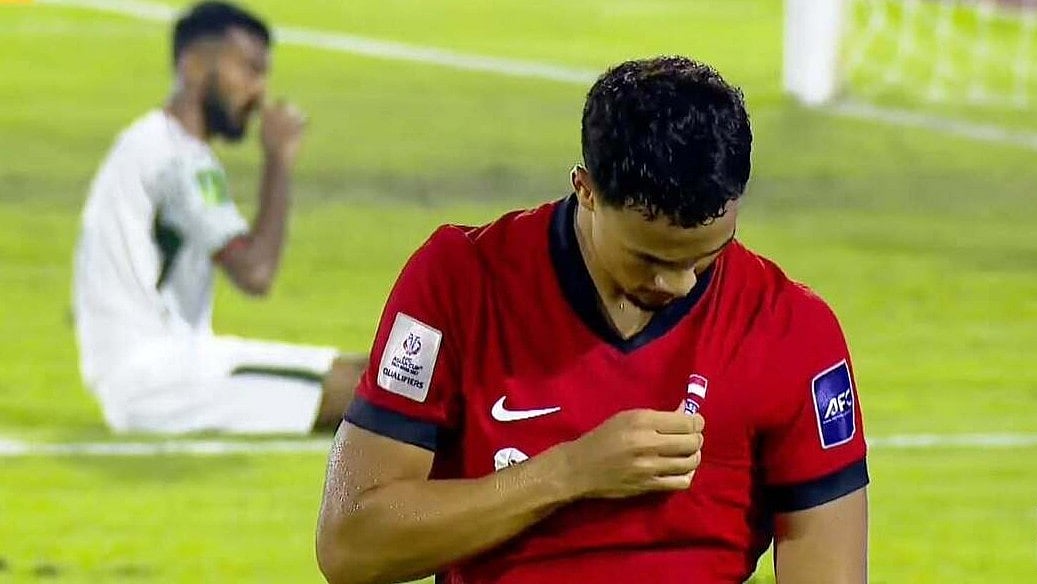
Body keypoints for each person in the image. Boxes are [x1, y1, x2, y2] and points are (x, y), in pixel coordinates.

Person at [316, 56, 868, 583]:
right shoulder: (462, 281)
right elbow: (351, 544)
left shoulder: (791, 329)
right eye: (649, 259)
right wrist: (571, 473)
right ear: (586, 190)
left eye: (705, 256)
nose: (677, 284)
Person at [72, 1, 364, 435]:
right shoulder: (177, 158)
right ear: (193, 66)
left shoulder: (152, 142)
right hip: (159, 379)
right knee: (375, 392)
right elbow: (256, 272)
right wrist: (279, 160)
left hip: (162, 371)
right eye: (248, 69)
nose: (259, 91)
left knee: (386, 380)